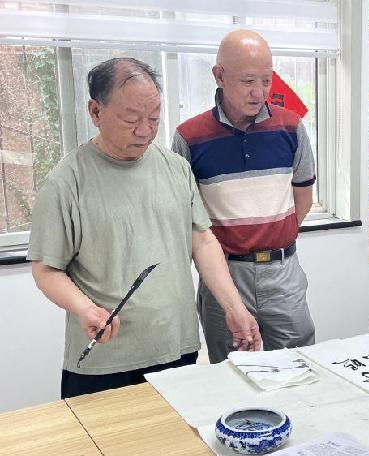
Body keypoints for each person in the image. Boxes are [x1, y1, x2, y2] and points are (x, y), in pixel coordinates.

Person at [28, 58, 261, 398]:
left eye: (153, 118)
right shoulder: (68, 181)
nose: (145, 131)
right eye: (131, 120)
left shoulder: (176, 169)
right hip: (105, 360)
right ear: (95, 112)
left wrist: (234, 307)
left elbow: (202, 242)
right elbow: (46, 269)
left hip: (176, 349)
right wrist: (85, 309)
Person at [172, 30, 316, 363]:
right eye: (248, 81)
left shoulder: (291, 128)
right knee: (229, 368)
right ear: (219, 76)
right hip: (224, 275)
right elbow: (187, 218)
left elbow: (303, 200)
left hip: (283, 271)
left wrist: (271, 237)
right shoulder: (189, 138)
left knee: (299, 364)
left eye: (266, 80)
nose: (259, 92)